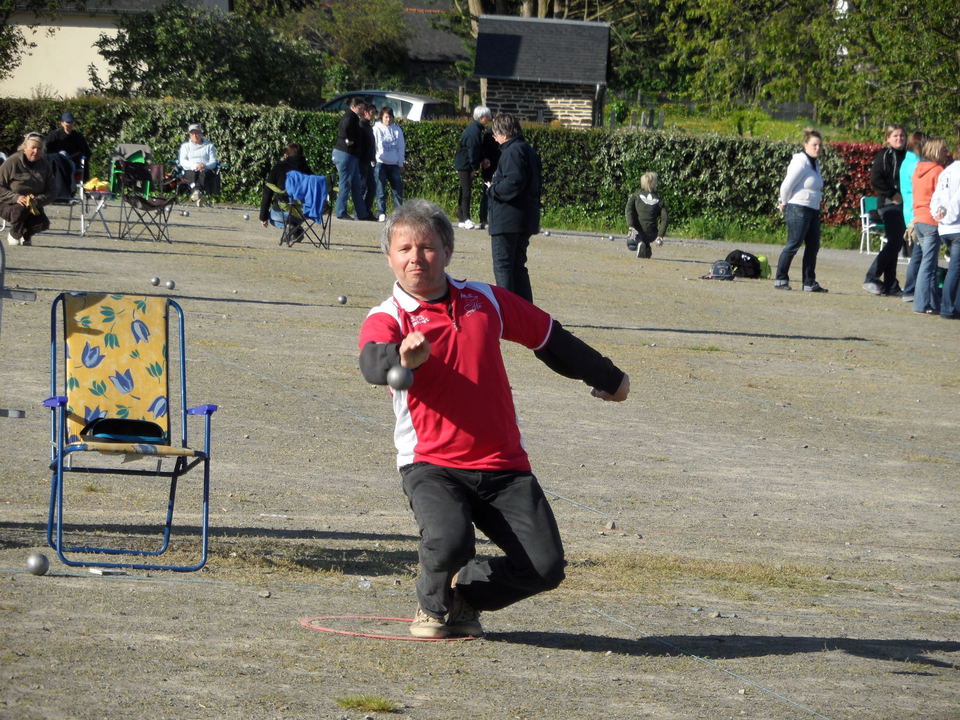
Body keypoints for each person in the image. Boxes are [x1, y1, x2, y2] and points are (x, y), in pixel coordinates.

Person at [357, 199, 630, 639]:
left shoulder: (483, 300)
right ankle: (433, 603)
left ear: (447, 251)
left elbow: (549, 338)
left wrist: (610, 378)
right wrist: (402, 357)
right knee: (449, 541)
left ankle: (465, 596)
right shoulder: (387, 317)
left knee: (545, 567)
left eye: (426, 247)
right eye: (404, 248)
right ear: (389, 257)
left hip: (503, 466)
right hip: (431, 464)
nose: (415, 258)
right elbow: (374, 367)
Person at [485, 113, 542, 303]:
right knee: (517, 266)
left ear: (504, 132)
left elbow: (514, 183)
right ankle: (526, 312)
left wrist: (493, 190)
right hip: (523, 218)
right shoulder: (527, 150)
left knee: (504, 266)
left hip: (508, 220)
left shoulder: (512, 151)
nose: (494, 137)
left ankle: (508, 311)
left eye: (495, 133)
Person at [773, 128, 827, 292]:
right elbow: (787, 185)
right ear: (805, 145)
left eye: (819, 145)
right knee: (794, 243)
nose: (817, 148)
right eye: (814, 145)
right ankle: (781, 279)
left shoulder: (815, 164)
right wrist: (783, 201)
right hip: (798, 208)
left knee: (813, 246)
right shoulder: (800, 162)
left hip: (813, 209)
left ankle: (808, 282)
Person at [863, 125, 907, 296]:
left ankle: (891, 284)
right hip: (889, 205)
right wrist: (892, 194)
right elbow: (876, 179)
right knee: (895, 243)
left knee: (894, 243)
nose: (899, 139)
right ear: (888, 138)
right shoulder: (884, 155)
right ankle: (871, 276)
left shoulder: (907, 156)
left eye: (902, 135)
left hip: (903, 205)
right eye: (895, 136)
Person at [910, 137, 951, 315]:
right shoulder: (938, 171)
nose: (946, 153)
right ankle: (921, 303)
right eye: (943, 150)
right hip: (931, 220)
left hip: (919, 218)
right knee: (928, 264)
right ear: (936, 151)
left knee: (930, 264)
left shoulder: (918, 170)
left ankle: (931, 302)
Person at [0, 133, 55, 246]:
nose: (36, 151)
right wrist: (16, 197)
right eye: (33, 148)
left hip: (33, 205)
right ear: (25, 148)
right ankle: (15, 233)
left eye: (39, 148)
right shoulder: (12, 162)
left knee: (43, 224)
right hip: (8, 203)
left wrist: (38, 200)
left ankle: (25, 234)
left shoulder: (45, 165)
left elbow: (53, 191)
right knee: (21, 209)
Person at [931, 140, 960, 319]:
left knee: (956, 268)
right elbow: (957, 200)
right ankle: (948, 307)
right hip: (956, 227)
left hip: (946, 228)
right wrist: (948, 218)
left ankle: (954, 306)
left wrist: (938, 216)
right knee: (955, 269)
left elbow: (937, 198)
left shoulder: (947, 171)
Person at [259, 142, 312, 235]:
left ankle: (292, 228)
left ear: (286, 154)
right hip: (304, 213)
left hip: (284, 211)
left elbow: (267, 193)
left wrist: (263, 217)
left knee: (270, 218)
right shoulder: (307, 169)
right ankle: (293, 227)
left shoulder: (278, 167)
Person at [899, 131, 927, 303]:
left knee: (919, 252)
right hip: (917, 212)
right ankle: (910, 289)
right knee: (920, 253)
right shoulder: (916, 164)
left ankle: (911, 289)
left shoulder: (907, 162)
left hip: (911, 211)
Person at [332, 97, 370, 220]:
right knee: (346, 183)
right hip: (346, 154)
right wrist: (348, 140)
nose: (362, 110)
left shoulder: (352, 117)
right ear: (353, 106)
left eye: (363, 108)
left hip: (350, 155)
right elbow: (344, 128)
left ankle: (361, 213)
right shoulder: (350, 116)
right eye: (360, 108)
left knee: (355, 185)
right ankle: (341, 212)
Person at [454, 105, 492, 229]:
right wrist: (474, 168)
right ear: (482, 117)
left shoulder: (475, 129)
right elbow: (473, 151)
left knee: (463, 190)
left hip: (464, 163)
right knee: (466, 192)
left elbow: (477, 150)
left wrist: (482, 159)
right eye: (487, 116)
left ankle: (461, 217)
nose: (489, 118)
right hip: (466, 165)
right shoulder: (474, 131)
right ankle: (466, 218)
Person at [624, 171, 668, 259]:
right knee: (647, 247)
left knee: (631, 242)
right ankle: (646, 247)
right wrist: (660, 235)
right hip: (652, 234)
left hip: (638, 232)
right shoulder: (659, 200)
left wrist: (631, 226)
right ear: (655, 184)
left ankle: (640, 242)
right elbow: (665, 219)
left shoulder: (636, 196)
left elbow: (628, 210)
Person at [45, 111, 92, 189]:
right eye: (67, 122)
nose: (69, 125)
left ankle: (69, 187)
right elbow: (47, 150)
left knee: (66, 158)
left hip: (73, 162)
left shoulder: (78, 137)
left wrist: (77, 157)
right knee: (62, 154)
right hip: (57, 162)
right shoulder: (54, 135)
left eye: (71, 122)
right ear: (62, 123)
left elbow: (86, 152)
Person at [373, 106, 405, 222]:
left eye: (390, 117)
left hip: (394, 163)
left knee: (397, 189)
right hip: (381, 163)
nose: (388, 120)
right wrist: (375, 159)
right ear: (382, 117)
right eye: (386, 117)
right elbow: (375, 145)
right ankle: (381, 212)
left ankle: (398, 214)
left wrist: (400, 163)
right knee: (381, 189)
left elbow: (401, 147)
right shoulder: (376, 129)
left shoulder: (397, 130)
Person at [178, 123, 219, 204]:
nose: (194, 135)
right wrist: (194, 166)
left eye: (196, 133)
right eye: (192, 133)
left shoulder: (209, 146)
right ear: (189, 134)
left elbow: (213, 162)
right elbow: (183, 161)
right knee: (192, 174)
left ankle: (196, 193)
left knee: (203, 173)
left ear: (201, 133)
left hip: (205, 170)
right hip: (190, 169)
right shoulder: (185, 146)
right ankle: (198, 194)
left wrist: (205, 165)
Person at [477, 124, 500, 230]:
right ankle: (483, 219)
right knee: (486, 193)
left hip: (498, 167)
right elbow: (482, 150)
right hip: (489, 167)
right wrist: (485, 159)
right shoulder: (488, 134)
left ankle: (494, 219)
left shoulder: (502, 133)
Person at [360, 102, 378, 220]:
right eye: (372, 113)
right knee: (361, 187)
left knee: (372, 186)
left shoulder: (368, 126)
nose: (373, 115)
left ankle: (366, 210)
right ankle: (360, 211)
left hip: (368, 160)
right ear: (365, 113)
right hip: (361, 161)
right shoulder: (361, 125)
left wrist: (373, 156)